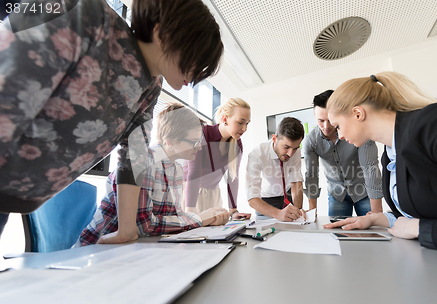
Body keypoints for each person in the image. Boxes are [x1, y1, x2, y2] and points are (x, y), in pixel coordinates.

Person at [0, 0, 224, 241]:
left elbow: (133, 155)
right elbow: (11, 85)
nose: (196, 76)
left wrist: (127, 228)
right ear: (162, 34)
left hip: (15, 196)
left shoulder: (152, 86)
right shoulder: (85, 14)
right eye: (195, 60)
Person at [324, 71, 437, 262]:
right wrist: (378, 219)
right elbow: (424, 209)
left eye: (337, 126)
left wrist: (419, 229)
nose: (338, 135)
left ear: (358, 113)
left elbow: (421, 222)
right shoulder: (390, 153)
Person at [76, 103, 230, 246]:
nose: (199, 147)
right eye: (194, 142)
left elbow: (174, 215)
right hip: (98, 249)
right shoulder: (143, 163)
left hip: (138, 246)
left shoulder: (177, 169)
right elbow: (144, 225)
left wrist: (205, 217)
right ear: (169, 141)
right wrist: (200, 218)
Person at [303, 90, 383, 216]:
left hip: (364, 191)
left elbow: (370, 168)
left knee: (373, 231)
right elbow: (311, 175)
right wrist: (313, 211)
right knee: (339, 234)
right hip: (337, 194)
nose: (326, 126)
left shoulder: (359, 131)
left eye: (330, 120)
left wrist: (377, 212)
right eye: (320, 121)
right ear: (314, 116)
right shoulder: (311, 141)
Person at [183, 98, 252, 221]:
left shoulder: (237, 145)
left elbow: (233, 178)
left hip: (213, 195)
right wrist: (189, 214)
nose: (245, 128)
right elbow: (194, 173)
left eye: (247, 123)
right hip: (190, 192)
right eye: (241, 122)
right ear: (225, 119)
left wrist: (233, 211)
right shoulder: (203, 133)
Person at [246, 117, 306, 222]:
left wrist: (297, 210)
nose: (290, 154)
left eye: (295, 148)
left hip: (288, 197)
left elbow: (296, 181)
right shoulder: (257, 154)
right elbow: (252, 198)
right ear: (274, 139)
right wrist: (278, 214)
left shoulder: (294, 151)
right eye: (286, 147)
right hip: (265, 202)